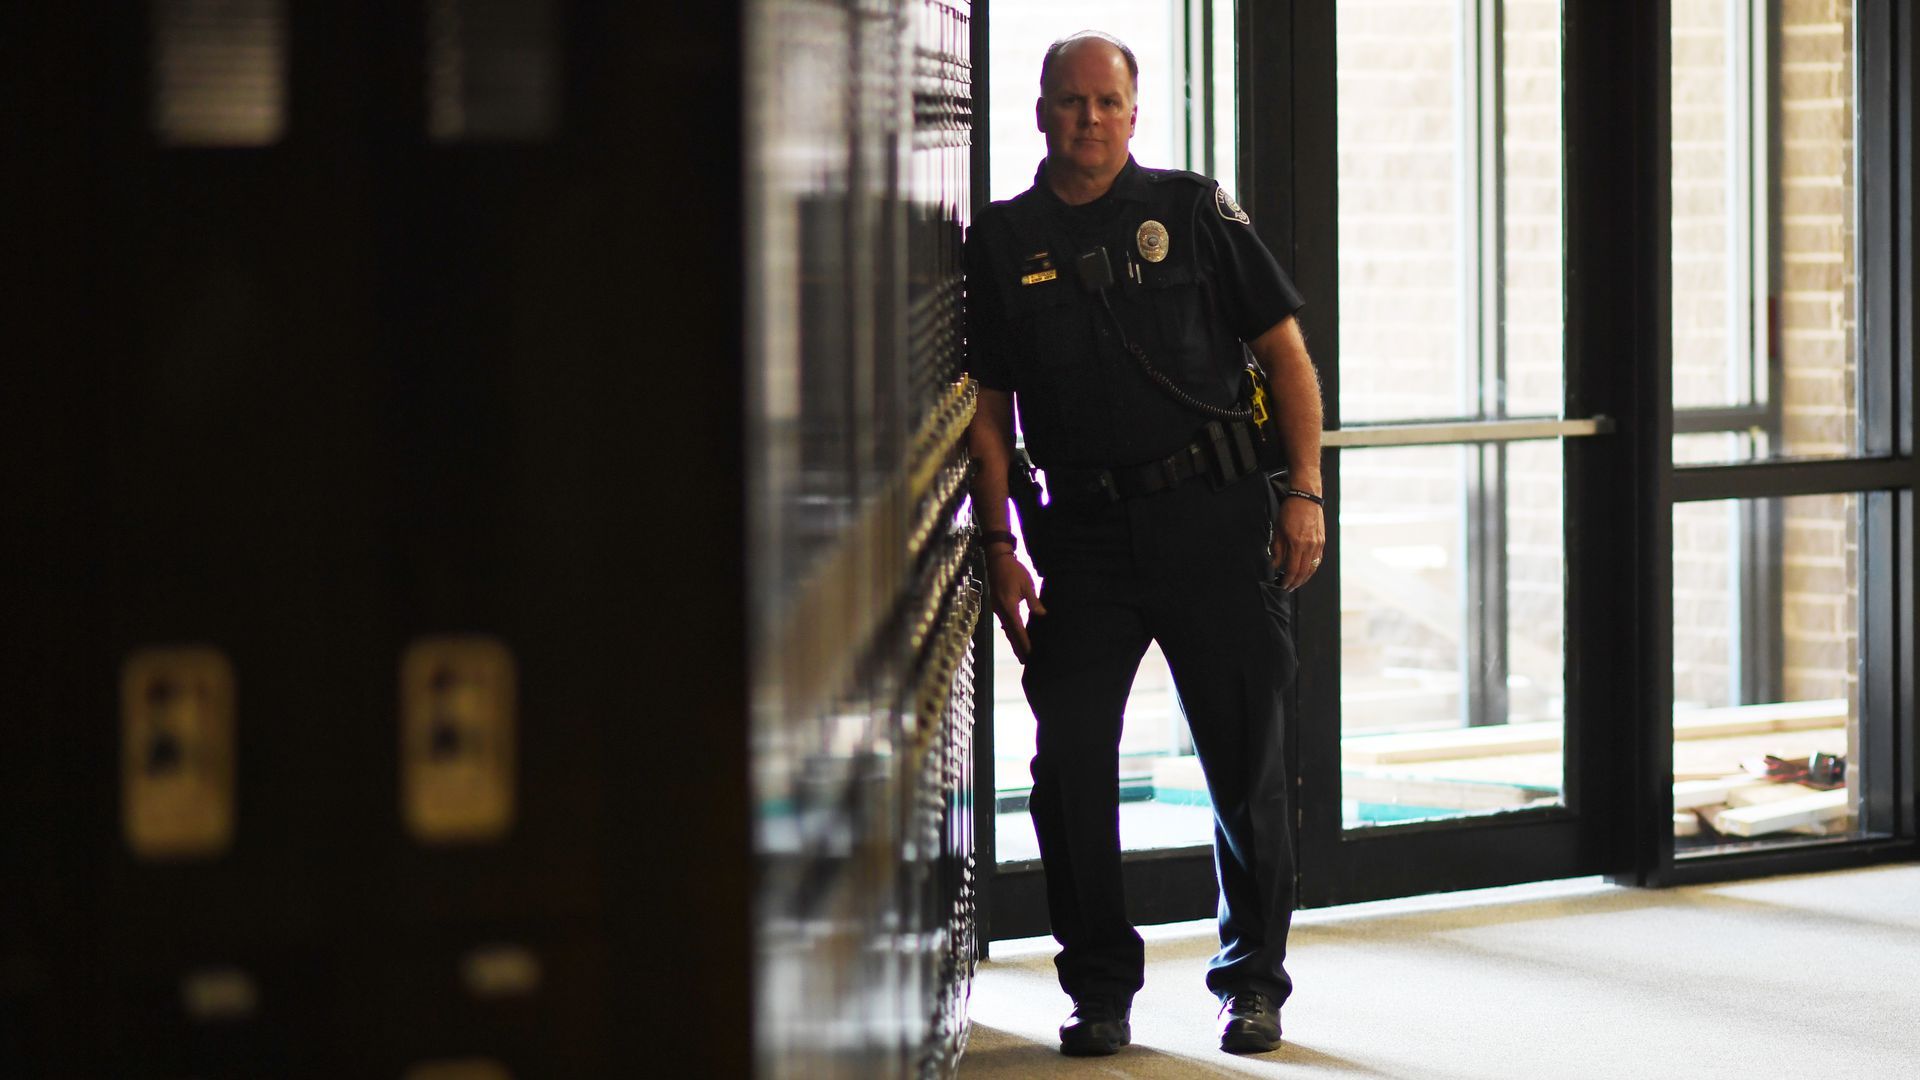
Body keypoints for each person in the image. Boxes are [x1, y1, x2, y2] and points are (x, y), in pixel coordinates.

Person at [963, 30, 1326, 1057]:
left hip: (1214, 519)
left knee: (1242, 760)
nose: (1090, 119)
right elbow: (991, 411)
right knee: (1068, 760)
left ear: (1136, 111)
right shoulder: (1001, 241)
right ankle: (1100, 990)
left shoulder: (1194, 211)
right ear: (1040, 112)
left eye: (1108, 102)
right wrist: (997, 544)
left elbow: (1285, 356)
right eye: (1071, 102)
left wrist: (1303, 493)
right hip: (1084, 537)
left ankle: (1251, 982)